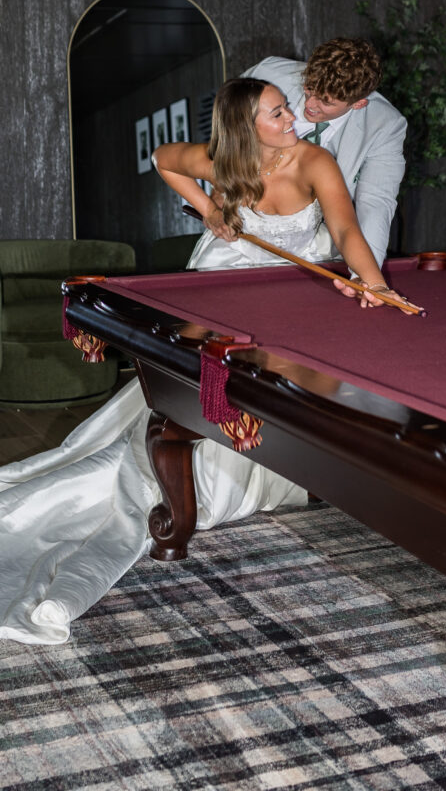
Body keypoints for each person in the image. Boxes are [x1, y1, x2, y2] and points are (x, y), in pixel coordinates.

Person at [0, 79, 406, 646]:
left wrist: (375, 284)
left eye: (286, 108)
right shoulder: (221, 159)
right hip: (222, 287)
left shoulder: (315, 159)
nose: (290, 116)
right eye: (276, 112)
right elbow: (164, 159)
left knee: (271, 388)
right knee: (207, 390)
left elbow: (344, 228)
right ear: (246, 127)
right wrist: (210, 208)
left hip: (292, 299)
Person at [242, 37, 406, 275]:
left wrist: (365, 277)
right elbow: (226, 134)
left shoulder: (385, 125)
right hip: (246, 229)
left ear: (358, 103)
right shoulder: (267, 74)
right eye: (309, 88)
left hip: (319, 247)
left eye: (326, 102)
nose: (310, 104)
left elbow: (375, 204)